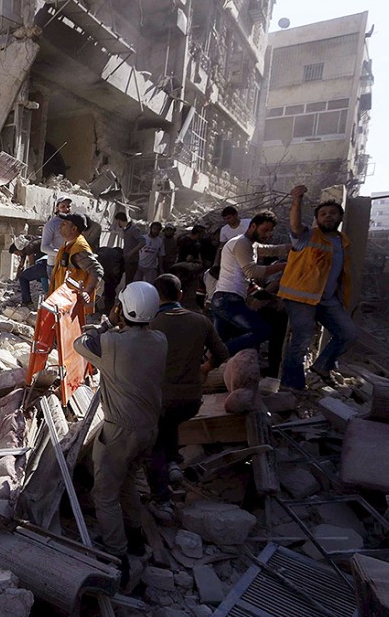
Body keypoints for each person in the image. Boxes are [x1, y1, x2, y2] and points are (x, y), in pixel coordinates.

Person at [74, 282, 167, 583]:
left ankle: (117, 555)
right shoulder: (160, 340)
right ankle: (136, 538)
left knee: (104, 494)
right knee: (128, 483)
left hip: (119, 432)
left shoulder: (113, 343)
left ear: (122, 309)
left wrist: (107, 323)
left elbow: (80, 343)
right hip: (149, 429)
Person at [148, 275, 229, 507]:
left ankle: (161, 498)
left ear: (154, 298)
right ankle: (174, 462)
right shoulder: (201, 321)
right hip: (192, 399)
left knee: (154, 442)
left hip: (161, 399)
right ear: (180, 295)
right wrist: (205, 368)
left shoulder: (151, 323)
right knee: (170, 421)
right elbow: (222, 354)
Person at [279, 186, 358, 390]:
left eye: (332, 213)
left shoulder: (343, 242)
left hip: (328, 299)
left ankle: (322, 366)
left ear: (340, 217)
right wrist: (297, 200)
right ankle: (291, 387)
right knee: (301, 340)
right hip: (301, 298)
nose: (328, 216)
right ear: (317, 219)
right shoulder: (307, 235)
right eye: (323, 214)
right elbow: (295, 225)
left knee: (348, 333)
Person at [211, 211, 289, 355]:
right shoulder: (242, 243)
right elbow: (252, 271)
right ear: (253, 226)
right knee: (262, 331)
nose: (268, 235)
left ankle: (211, 362)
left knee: (221, 342)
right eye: (265, 230)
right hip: (229, 299)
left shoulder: (251, 245)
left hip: (224, 299)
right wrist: (286, 265)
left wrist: (297, 247)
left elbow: (273, 250)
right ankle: (218, 356)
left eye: (271, 231)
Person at [50, 213, 103, 311]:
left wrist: (87, 292)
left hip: (73, 305)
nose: (60, 226)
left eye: (64, 224)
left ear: (73, 229)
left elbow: (97, 270)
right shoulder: (68, 244)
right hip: (64, 301)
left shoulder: (79, 248)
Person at [12, 233, 49, 306]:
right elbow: (21, 265)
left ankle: (26, 302)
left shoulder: (29, 247)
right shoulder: (34, 242)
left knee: (23, 277)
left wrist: (26, 275)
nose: (18, 254)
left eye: (17, 253)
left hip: (44, 264)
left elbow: (31, 264)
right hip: (50, 262)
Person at [116, 212, 144, 287]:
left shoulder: (134, 229)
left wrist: (131, 253)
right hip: (127, 259)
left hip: (132, 260)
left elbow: (142, 242)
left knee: (130, 281)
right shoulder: (126, 229)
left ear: (119, 220)